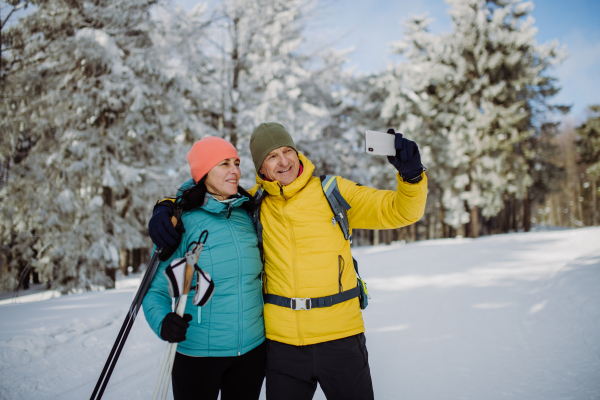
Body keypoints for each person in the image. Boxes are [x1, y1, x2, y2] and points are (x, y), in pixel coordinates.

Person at [149, 123, 427, 400]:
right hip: (283, 349)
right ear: (261, 169)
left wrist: (412, 176)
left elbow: (399, 212)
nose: (283, 161)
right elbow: (206, 196)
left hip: (340, 337)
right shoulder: (255, 206)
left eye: (287, 151)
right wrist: (165, 206)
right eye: (271, 156)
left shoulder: (333, 192)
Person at [142, 136, 266, 400]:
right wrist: (163, 321)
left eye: (236, 163)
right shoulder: (181, 221)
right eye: (224, 164)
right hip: (198, 355)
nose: (234, 171)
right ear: (204, 172)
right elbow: (154, 290)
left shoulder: (248, 214)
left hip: (252, 352)